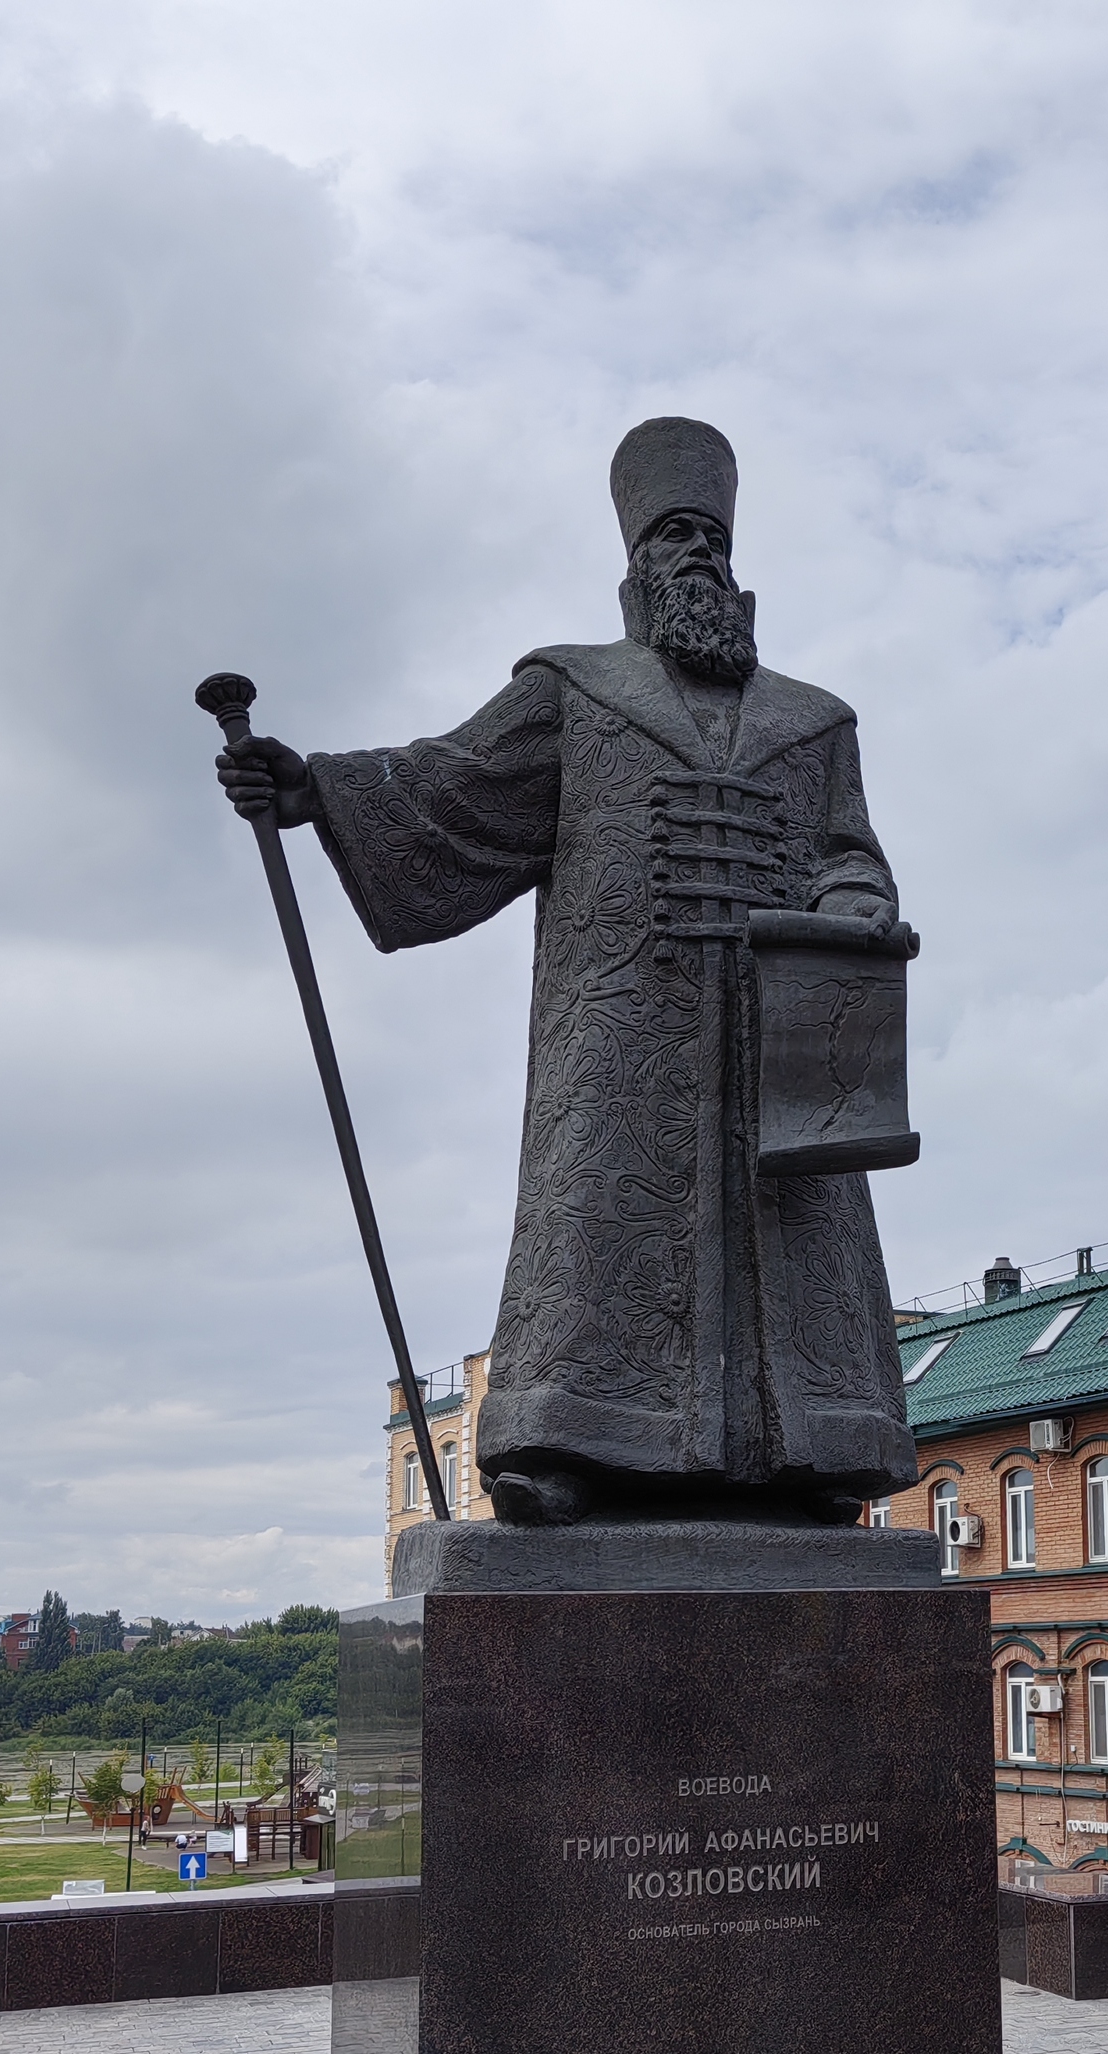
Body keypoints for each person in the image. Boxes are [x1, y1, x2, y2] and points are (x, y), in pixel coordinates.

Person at [216, 417, 918, 1529]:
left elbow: (849, 851)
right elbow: (453, 786)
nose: (694, 554)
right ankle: (567, 1447)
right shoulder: (574, 690)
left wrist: (853, 910)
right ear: (634, 565)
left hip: (781, 1034)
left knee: (799, 1226)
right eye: (671, 536)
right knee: (596, 1221)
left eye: (708, 537)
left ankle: (815, 1451)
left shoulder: (815, 721)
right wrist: (316, 790)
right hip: (625, 1026)